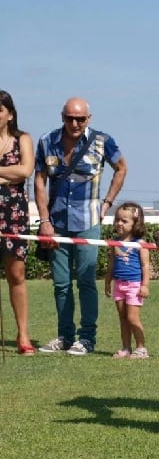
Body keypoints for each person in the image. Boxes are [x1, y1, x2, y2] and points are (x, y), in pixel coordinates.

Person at [35, 97, 127, 355]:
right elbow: (39, 181)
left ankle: (87, 338)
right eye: (69, 118)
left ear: (89, 118)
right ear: (62, 116)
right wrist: (44, 221)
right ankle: (65, 336)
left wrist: (107, 203)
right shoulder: (46, 142)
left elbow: (121, 168)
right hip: (56, 224)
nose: (74, 124)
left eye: (80, 119)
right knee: (61, 283)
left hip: (88, 222)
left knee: (86, 281)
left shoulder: (102, 141)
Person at [0, 91, 35, 355]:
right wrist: (7, 175)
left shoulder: (23, 139)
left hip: (14, 214)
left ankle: (23, 334)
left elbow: (24, 170)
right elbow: (15, 172)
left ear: (10, 114)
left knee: (16, 275)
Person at [105, 202, 151, 358]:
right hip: (119, 284)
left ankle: (141, 348)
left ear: (135, 223)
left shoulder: (140, 244)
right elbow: (111, 262)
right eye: (117, 219)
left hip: (134, 285)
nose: (119, 223)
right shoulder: (115, 242)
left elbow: (145, 266)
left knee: (132, 317)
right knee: (123, 318)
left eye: (124, 221)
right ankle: (126, 348)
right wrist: (107, 281)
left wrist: (145, 285)